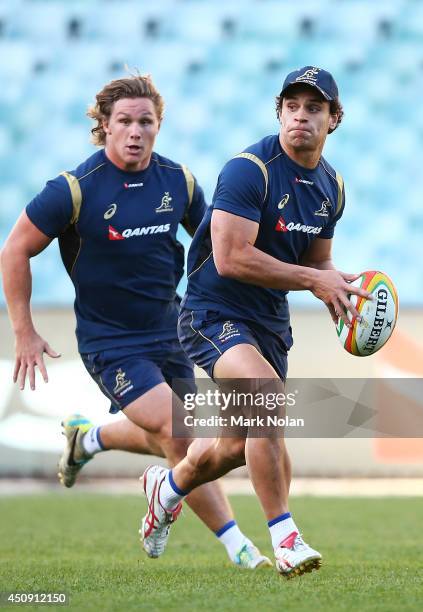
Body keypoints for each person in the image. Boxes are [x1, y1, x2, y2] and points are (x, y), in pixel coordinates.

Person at [0, 74, 271, 569]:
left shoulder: (179, 182)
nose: (135, 131)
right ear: (104, 126)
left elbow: (215, 245)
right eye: (124, 121)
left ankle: (91, 438)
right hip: (111, 341)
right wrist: (24, 330)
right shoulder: (73, 189)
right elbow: (15, 249)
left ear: (158, 126)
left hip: (173, 330)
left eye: (146, 121)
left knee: (178, 439)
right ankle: (240, 549)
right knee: (182, 430)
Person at [141, 66, 372, 578]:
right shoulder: (250, 169)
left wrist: (340, 285)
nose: (301, 116)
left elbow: (317, 261)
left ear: (334, 119)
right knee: (266, 396)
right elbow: (231, 259)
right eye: (292, 106)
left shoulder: (331, 186)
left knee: (232, 447)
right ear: (279, 110)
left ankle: (169, 486)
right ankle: (285, 538)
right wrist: (314, 281)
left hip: (268, 321)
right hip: (212, 311)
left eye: (314, 108)